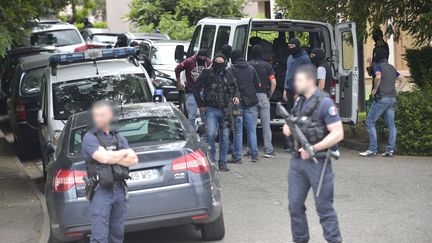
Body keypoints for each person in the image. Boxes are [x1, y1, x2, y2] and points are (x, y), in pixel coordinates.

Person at [283, 64, 344, 243]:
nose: (296, 83)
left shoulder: (325, 103)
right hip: (297, 163)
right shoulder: (299, 101)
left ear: (310, 81)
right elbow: (293, 122)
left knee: (324, 208)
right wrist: (288, 127)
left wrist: (315, 149)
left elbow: (338, 133)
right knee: (294, 206)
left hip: (319, 163)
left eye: (299, 80)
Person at [82, 101, 138, 243]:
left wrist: (113, 155)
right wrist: (122, 153)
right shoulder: (90, 137)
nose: (98, 119)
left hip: (119, 190)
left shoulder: (118, 137)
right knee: (100, 237)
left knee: (117, 236)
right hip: (101, 191)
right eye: (96, 116)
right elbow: (103, 158)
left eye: (102, 115)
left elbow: (133, 159)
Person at [193, 55, 240, 172]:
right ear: (213, 62)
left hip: (226, 110)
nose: (219, 63)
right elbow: (195, 88)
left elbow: (236, 87)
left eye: (221, 61)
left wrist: (236, 97)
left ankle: (222, 162)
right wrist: (201, 104)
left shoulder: (229, 74)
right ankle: (212, 160)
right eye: (217, 61)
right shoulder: (207, 73)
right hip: (211, 110)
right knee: (210, 135)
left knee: (225, 138)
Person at [360, 47, 408, 157]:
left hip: (382, 99)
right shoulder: (391, 67)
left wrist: (375, 89)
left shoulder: (378, 66)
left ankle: (372, 150)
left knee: (370, 122)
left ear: (377, 56)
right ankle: (390, 150)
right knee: (391, 125)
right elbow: (404, 80)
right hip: (392, 99)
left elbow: (378, 76)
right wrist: (397, 91)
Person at [228, 50, 260, 163]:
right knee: (251, 130)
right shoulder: (251, 68)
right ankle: (254, 155)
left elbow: (229, 86)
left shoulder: (230, 69)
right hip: (250, 101)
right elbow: (257, 83)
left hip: (237, 103)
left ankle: (237, 156)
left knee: (238, 131)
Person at [248, 45, 277, 158]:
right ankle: (268, 150)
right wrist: (269, 95)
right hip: (263, 96)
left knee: (251, 125)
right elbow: (273, 82)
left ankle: (251, 149)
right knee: (266, 124)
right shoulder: (267, 65)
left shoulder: (248, 65)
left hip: (251, 98)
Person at [310, 48, 340, 156]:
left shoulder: (321, 69)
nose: (312, 58)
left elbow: (321, 85)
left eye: (313, 56)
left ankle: (333, 148)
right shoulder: (326, 66)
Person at [175, 49, 211, 129]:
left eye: (204, 58)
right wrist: (179, 82)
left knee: (205, 114)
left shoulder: (209, 62)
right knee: (192, 115)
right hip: (192, 92)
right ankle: (192, 134)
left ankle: (206, 133)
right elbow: (178, 69)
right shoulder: (189, 61)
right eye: (200, 57)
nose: (202, 59)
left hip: (204, 92)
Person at [283, 38, 312, 109]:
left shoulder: (305, 59)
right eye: (289, 46)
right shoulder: (289, 58)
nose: (291, 48)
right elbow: (288, 73)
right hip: (289, 90)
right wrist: (285, 89)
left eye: (293, 46)